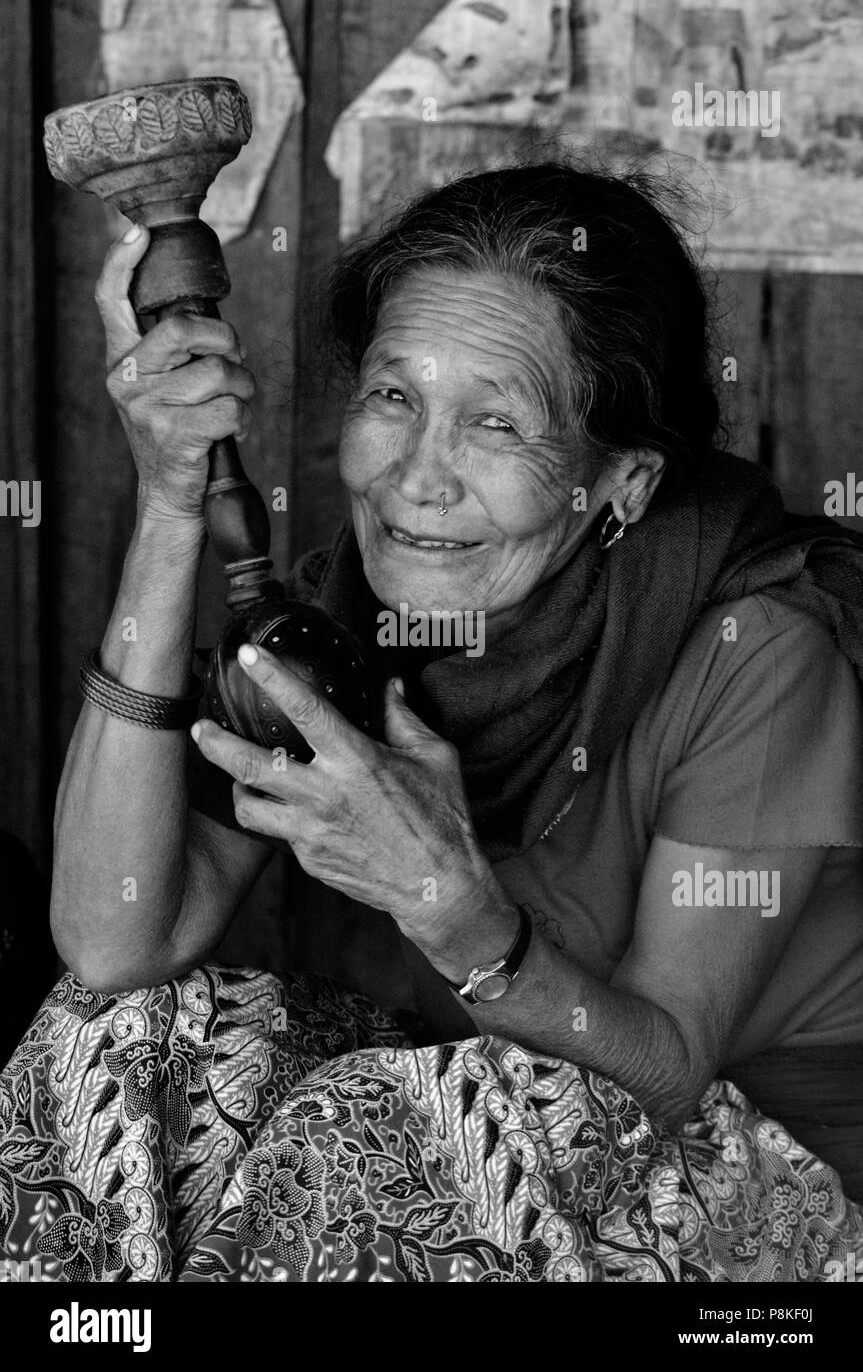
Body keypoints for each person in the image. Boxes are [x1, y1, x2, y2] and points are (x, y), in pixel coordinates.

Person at [2, 163, 863, 1283]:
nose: (416, 478)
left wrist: (452, 909)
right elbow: (117, 946)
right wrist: (169, 504)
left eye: (494, 421)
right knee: (113, 1042)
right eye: (392, 397)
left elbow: (665, 1065)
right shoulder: (343, 627)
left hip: (758, 1189)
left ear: (621, 483)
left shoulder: (754, 652)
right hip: (461, 1112)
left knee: (372, 1124)